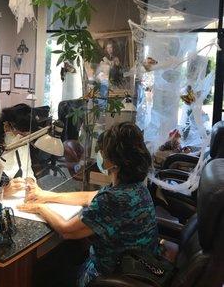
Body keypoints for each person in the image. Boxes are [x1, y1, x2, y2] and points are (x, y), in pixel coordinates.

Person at [18, 122, 158, 287]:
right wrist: (47, 196)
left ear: (114, 161)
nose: (100, 154)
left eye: (103, 151)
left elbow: (66, 230)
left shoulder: (112, 199)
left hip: (107, 278)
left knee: (43, 271)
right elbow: (88, 197)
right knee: (65, 253)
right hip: (139, 268)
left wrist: (39, 207)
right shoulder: (135, 187)